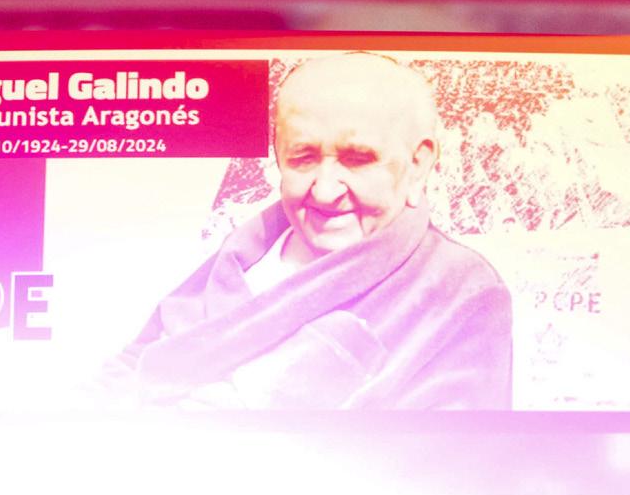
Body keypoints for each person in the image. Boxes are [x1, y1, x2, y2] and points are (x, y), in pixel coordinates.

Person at [101, 52, 512, 409]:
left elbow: (452, 457)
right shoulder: (244, 254)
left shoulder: (460, 291)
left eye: (356, 159)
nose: (326, 190)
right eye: (303, 157)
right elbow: (133, 367)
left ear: (418, 163)